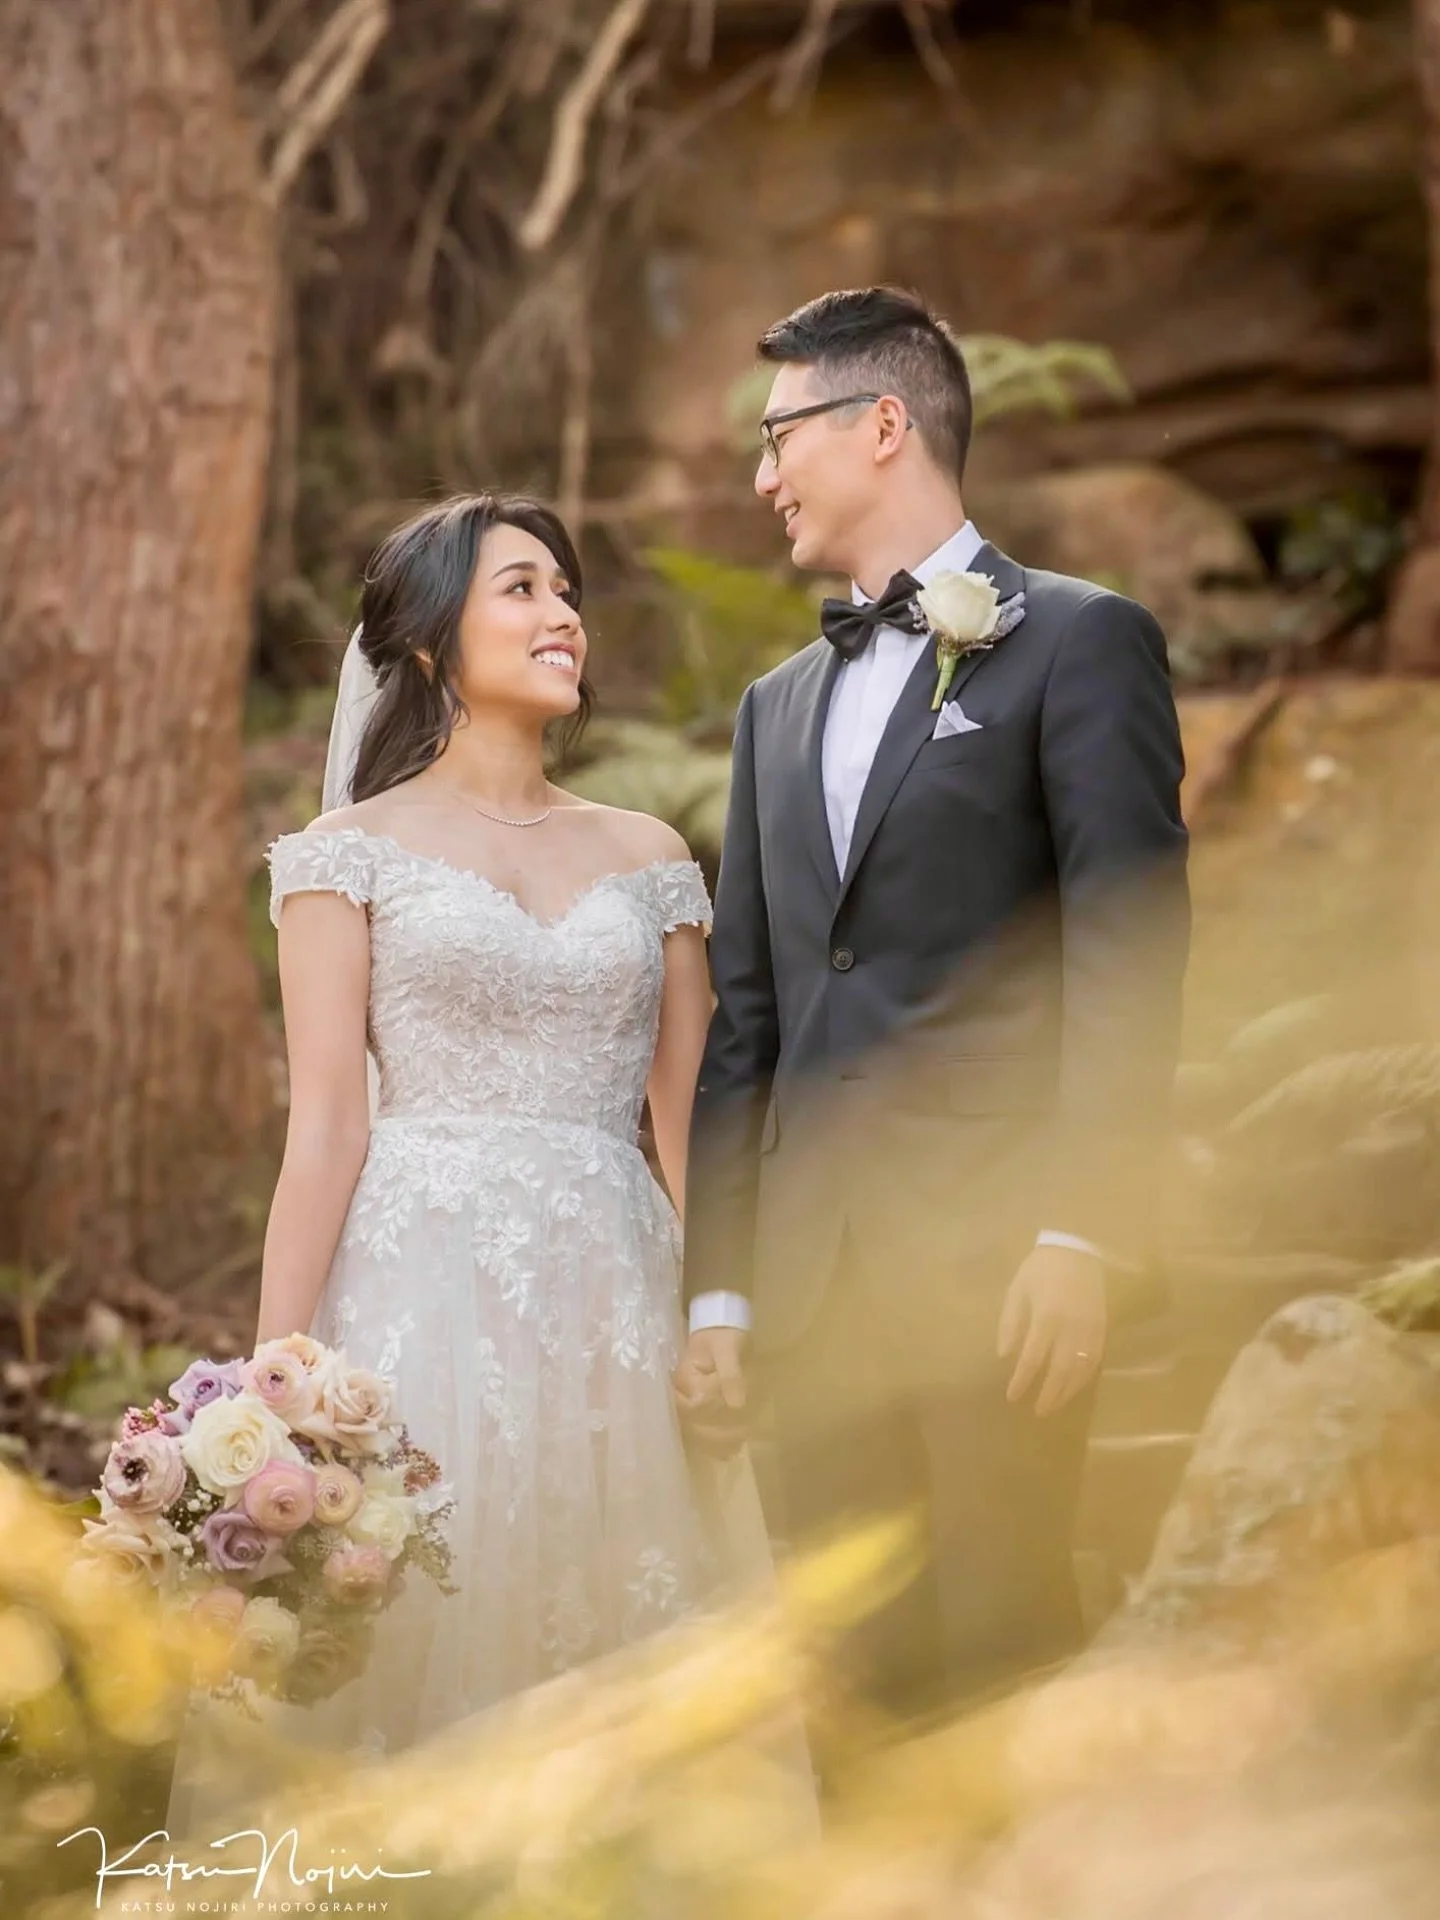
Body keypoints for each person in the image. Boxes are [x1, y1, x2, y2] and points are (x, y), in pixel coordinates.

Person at [677, 288, 1191, 1723]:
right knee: (855, 1700)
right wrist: (721, 1286)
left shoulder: (1083, 645)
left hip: (999, 1275)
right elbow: (752, 1014)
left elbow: (1126, 949)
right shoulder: (773, 706)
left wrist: (1082, 1230)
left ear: (883, 424)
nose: (763, 475)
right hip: (813, 1297)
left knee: (1009, 1666)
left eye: (780, 436)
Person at [243, 493, 724, 1750]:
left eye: (566, 591)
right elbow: (329, 1129)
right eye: (520, 588)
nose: (561, 612)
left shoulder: (651, 855)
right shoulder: (347, 855)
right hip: (416, 1294)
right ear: (425, 641)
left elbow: (689, 1124)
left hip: (620, 1292)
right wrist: (272, 1384)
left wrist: (726, 1310)